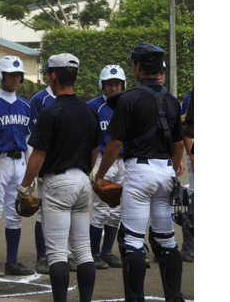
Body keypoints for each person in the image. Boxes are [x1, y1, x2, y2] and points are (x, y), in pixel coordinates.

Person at [95, 43, 185, 302]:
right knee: (166, 240)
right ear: (159, 68)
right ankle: (174, 296)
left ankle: (135, 298)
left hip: (139, 172)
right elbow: (178, 144)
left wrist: (100, 176)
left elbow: (114, 143)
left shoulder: (129, 99)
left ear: (137, 66)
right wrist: (175, 167)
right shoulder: (171, 99)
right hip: (166, 172)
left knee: (132, 241)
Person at [20, 53, 101, 302]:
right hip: (82, 182)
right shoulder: (89, 111)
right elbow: (95, 150)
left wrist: (24, 186)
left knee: (56, 253)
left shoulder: (50, 111)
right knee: (84, 251)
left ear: (52, 76)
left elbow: (38, 156)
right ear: (75, 77)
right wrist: (85, 173)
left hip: (57, 184)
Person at [0, 56, 36, 278]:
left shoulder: (25, 105)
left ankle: (12, 261)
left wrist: (32, 170)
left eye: (18, 75)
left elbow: (30, 139)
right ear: (1, 76)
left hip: (19, 162)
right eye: (11, 75)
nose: (15, 79)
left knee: (16, 213)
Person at [87, 65, 127, 270]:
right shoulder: (93, 106)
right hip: (103, 161)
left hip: (123, 161)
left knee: (117, 211)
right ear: (102, 85)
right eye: (109, 84)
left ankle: (107, 252)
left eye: (117, 84)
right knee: (101, 210)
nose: (113, 88)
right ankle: (94, 253)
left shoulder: (127, 104)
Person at [28, 60, 57, 274]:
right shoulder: (39, 100)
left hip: (67, 163)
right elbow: (32, 136)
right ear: (48, 74)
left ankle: (62, 253)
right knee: (44, 212)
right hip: (45, 162)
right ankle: (42, 256)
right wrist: (36, 167)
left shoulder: (71, 100)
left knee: (67, 210)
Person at [180, 87, 194, 262]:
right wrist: (192, 154)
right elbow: (186, 130)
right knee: (194, 199)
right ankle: (189, 247)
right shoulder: (192, 96)